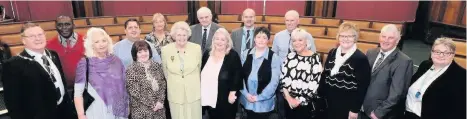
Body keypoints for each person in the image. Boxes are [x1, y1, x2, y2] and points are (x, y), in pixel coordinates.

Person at [1, 22, 77, 119]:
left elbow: (62, 85)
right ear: (23, 40)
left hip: (63, 112)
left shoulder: (53, 55)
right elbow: (13, 103)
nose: (37, 38)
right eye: (32, 36)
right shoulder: (13, 64)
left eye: (40, 35)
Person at [317, 22, 371, 119]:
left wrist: (355, 110)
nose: (345, 39)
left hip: (346, 106)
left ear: (355, 38)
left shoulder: (360, 58)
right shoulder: (332, 52)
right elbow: (325, 75)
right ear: (338, 37)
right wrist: (320, 97)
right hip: (327, 103)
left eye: (349, 36)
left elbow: (362, 87)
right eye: (342, 36)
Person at [74, 27, 129, 119]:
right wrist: (81, 114)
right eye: (97, 42)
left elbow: (124, 86)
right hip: (96, 110)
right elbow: (78, 93)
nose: (101, 44)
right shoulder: (85, 63)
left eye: (104, 40)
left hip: (119, 110)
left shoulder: (116, 61)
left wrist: (127, 105)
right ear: (91, 45)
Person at [404, 37, 466, 119]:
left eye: (446, 53)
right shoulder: (425, 65)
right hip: (407, 114)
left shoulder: (462, 76)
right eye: (437, 51)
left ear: (453, 55)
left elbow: (460, 111)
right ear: (432, 52)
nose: (441, 55)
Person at [361, 24, 414, 119]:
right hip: (362, 109)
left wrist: (378, 113)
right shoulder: (370, 53)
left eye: (390, 38)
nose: (386, 40)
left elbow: (397, 93)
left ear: (397, 41)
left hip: (379, 114)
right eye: (383, 36)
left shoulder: (403, 61)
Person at [161, 21, 202, 119]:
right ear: (174, 36)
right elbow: (165, 72)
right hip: (175, 92)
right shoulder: (165, 50)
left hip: (193, 92)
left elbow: (199, 68)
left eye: (184, 35)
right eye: (178, 35)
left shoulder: (196, 48)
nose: (181, 37)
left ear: (188, 35)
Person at [280, 28, 323, 119]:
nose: (297, 43)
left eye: (300, 40)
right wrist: (289, 98)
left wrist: (299, 101)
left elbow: (314, 84)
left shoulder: (315, 58)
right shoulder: (290, 56)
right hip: (288, 102)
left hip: (305, 104)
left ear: (306, 41)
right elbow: (283, 78)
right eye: (294, 40)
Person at [239, 27, 281, 119]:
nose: (261, 40)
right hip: (247, 100)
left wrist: (259, 97)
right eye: (258, 37)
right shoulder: (245, 54)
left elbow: (274, 82)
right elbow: (239, 76)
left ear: (268, 40)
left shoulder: (274, 57)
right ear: (254, 38)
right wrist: (246, 94)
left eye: (264, 37)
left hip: (264, 103)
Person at [201, 28, 243, 119]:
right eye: (217, 39)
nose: (219, 42)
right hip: (209, 96)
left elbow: (237, 76)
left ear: (227, 42)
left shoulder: (232, 55)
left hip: (225, 98)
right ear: (213, 40)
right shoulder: (207, 53)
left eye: (222, 40)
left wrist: (232, 93)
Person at [126, 40, 167, 119]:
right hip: (142, 112)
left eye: (145, 51)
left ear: (149, 51)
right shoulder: (131, 70)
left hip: (159, 110)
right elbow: (136, 93)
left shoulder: (156, 66)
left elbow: (162, 84)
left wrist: (160, 101)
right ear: (135, 54)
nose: (143, 54)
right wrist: (153, 105)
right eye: (140, 52)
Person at [46, 15, 85, 88]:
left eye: (67, 24)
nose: (64, 28)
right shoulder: (49, 46)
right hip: (65, 88)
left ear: (73, 25)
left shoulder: (86, 41)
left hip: (86, 86)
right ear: (56, 27)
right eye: (60, 25)